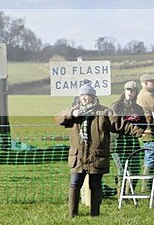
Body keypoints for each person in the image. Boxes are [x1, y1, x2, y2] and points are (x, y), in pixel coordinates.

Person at [56, 84, 143, 217]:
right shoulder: (75, 112)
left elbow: (120, 125)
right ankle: (72, 214)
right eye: (82, 95)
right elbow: (59, 118)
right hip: (78, 157)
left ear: (93, 97)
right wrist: (72, 113)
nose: (85, 98)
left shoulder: (105, 112)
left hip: (96, 156)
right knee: (74, 184)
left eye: (87, 95)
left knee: (95, 186)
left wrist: (139, 131)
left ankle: (95, 215)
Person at [111, 81, 145, 194]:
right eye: (128, 90)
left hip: (133, 142)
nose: (130, 92)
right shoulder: (116, 106)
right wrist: (128, 118)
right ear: (124, 91)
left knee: (135, 168)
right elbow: (113, 124)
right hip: (117, 142)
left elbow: (143, 125)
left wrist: (138, 120)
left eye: (132, 91)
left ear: (136, 93)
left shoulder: (138, 108)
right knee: (122, 169)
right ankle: (121, 194)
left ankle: (130, 193)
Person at [136, 74, 154, 194]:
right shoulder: (146, 95)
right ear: (145, 83)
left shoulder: (144, 94)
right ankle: (146, 185)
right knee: (151, 158)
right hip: (150, 132)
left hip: (148, 131)